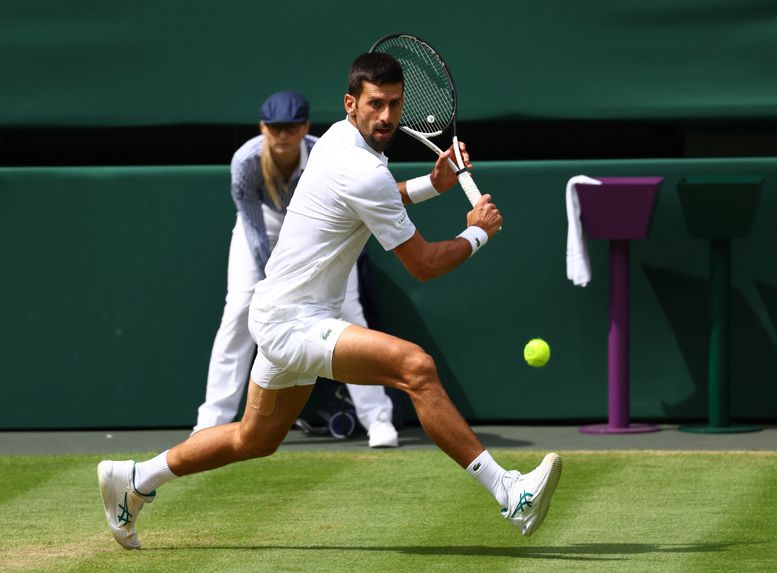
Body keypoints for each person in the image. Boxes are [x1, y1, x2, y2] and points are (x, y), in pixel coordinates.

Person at [98, 53, 561, 550]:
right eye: (375, 104)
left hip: (280, 314)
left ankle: (135, 479)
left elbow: (378, 196)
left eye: (396, 104)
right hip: (292, 321)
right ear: (351, 103)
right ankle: (509, 491)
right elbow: (422, 263)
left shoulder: (339, 140)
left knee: (253, 439)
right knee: (415, 367)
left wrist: (434, 184)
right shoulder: (360, 166)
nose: (387, 116)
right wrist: (477, 234)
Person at [193, 90, 398, 448]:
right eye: (275, 127)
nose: (282, 135)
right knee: (238, 310)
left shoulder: (326, 153)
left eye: (290, 127)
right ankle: (211, 422)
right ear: (263, 127)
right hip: (265, 227)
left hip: (319, 229)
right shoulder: (245, 162)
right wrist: (275, 284)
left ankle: (378, 419)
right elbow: (255, 230)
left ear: (304, 127)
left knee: (350, 312)